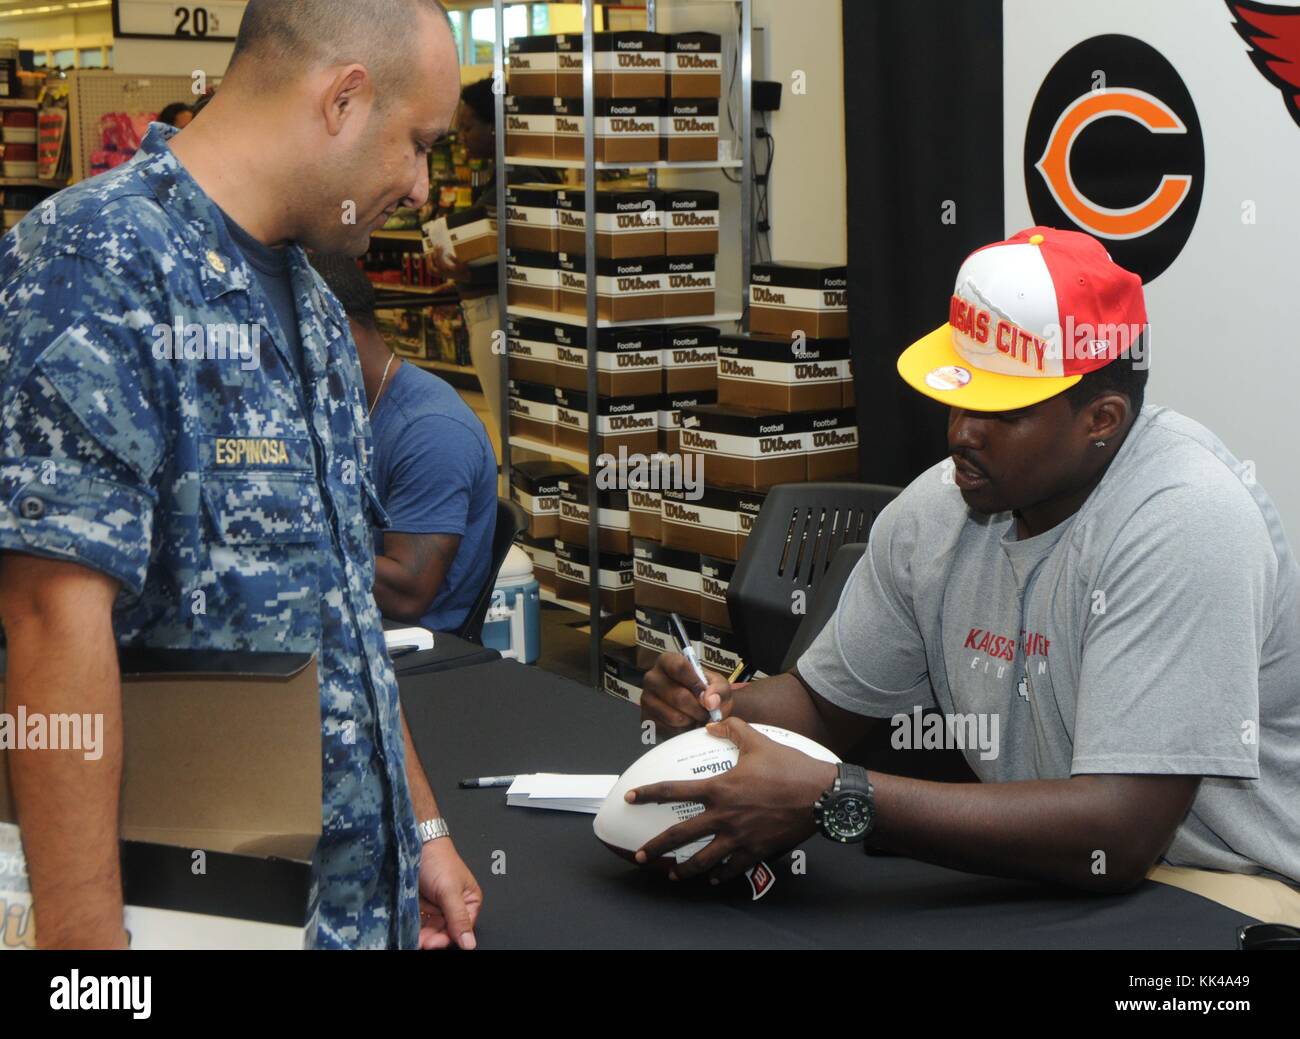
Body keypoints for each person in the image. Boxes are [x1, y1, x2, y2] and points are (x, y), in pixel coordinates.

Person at [0, 0, 482, 950]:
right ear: (344, 99)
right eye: (418, 144)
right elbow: (50, 619)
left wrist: (418, 829)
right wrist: (86, 946)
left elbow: (345, 607)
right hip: (191, 913)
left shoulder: (309, 301)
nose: (425, 187)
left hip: (347, 909)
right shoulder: (95, 264)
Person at [636, 227, 1300, 911]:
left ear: (1101, 418)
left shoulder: (1186, 520)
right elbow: (822, 707)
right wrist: (719, 712)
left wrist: (840, 797)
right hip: (1058, 872)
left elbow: (1119, 832)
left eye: (1001, 411)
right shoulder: (938, 510)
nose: (961, 432)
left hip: (1233, 886)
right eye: (959, 395)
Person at [311, 254, 497, 632]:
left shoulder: (432, 430)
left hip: (408, 646)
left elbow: (407, 594)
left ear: (333, 329)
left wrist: (284, 540)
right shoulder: (338, 405)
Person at [427, 76, 563, 443]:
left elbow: (514, 250)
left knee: (513, 430)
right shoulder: (531, 170)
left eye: (469, 126)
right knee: (523, 427)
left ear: (495, 128)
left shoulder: (517, 178)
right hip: (512, 312)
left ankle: (522, 497)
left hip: (496, 314)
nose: (461, 136)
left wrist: (463, 266)